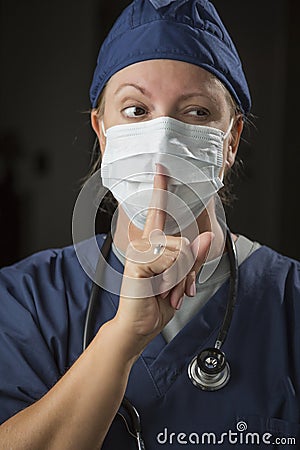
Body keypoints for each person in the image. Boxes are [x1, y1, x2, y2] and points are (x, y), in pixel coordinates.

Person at [0, 0, 299, 449]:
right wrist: (122, 339)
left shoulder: (290, 304)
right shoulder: (25, 302)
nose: (163, 137)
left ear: (231, 141)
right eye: (137, 110)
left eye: (196, 112)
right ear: (103, 135)